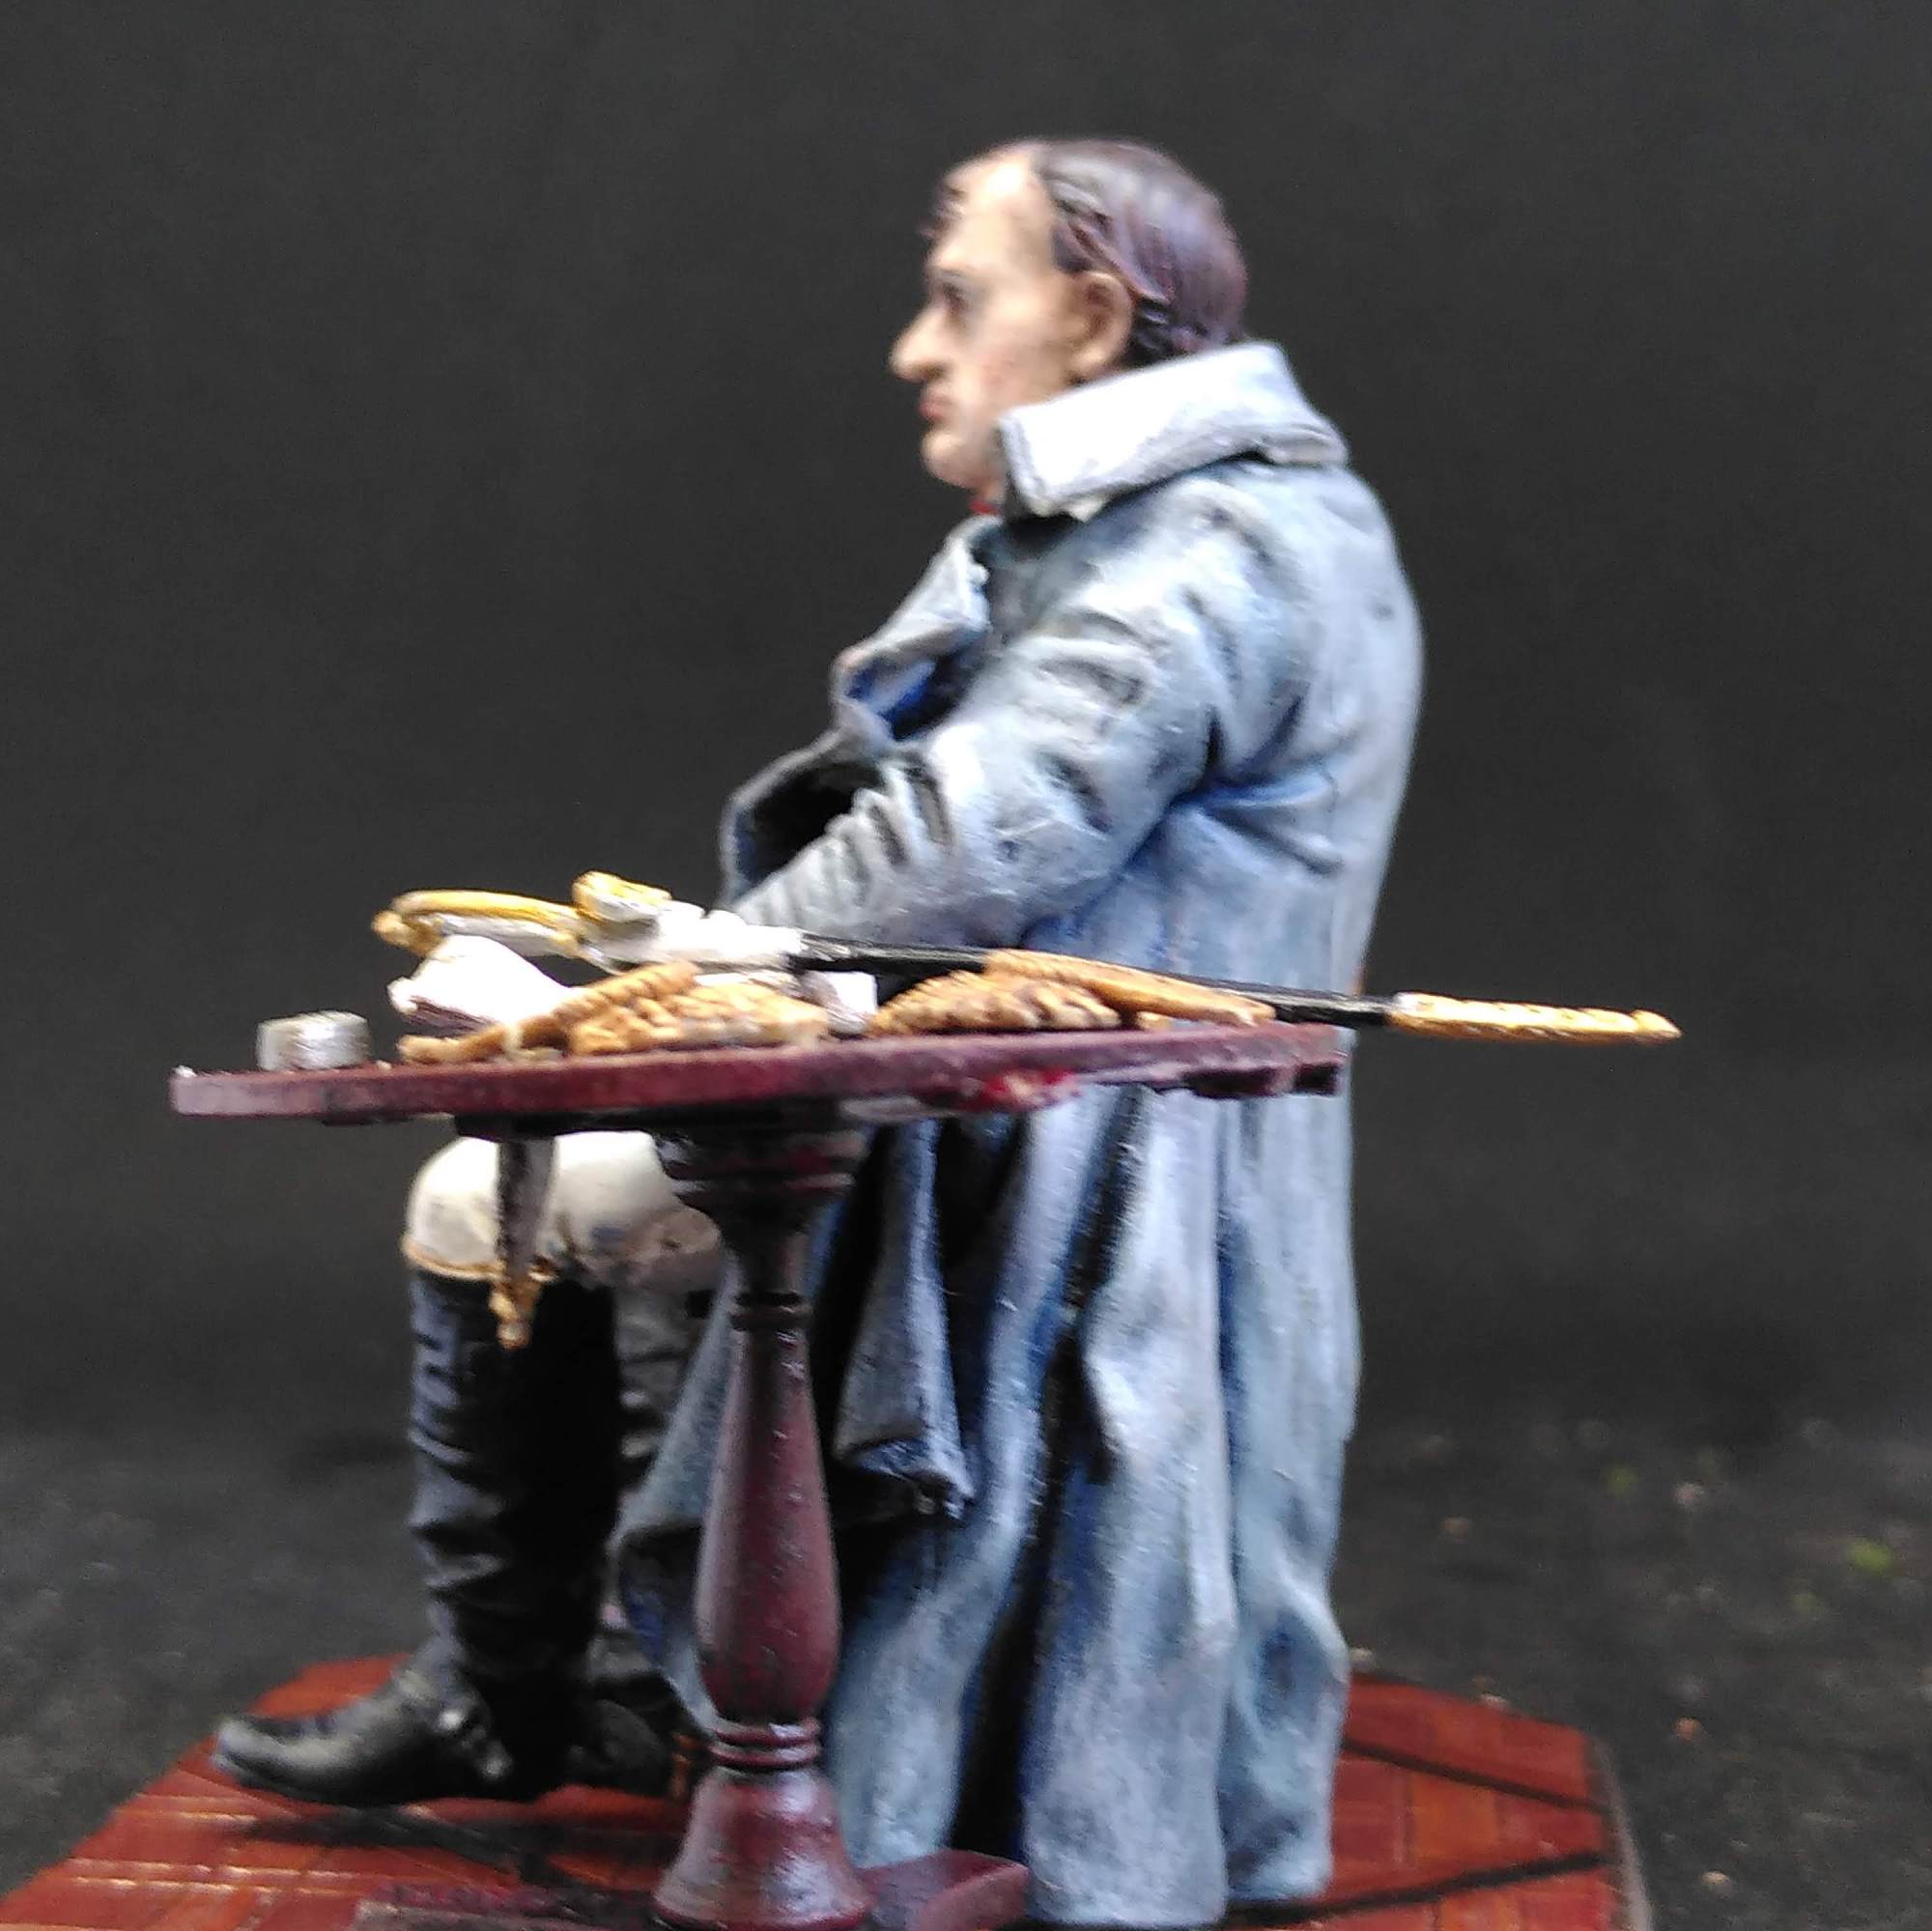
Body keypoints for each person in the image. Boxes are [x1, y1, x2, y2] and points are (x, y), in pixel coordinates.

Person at [216, 138, 1421, 1921]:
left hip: (1088, 1169)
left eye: (959, 299)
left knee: (542, 1201)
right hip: (1012, 1114)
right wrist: (672, 972)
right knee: (512, 1202)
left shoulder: (1214, 543)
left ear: (1096, 318)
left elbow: (963, 842)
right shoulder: (1159, 526)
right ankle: (553, 1688)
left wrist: (662, 988)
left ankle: (613, 1693)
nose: (916, 351)